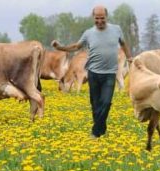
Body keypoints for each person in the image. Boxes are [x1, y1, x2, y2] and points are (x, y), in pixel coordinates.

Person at [51, 5, 133, 138]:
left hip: (109, 73)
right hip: (93, 74)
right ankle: (101, 129)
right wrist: (60, 47)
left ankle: (95, 132)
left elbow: (123, 44)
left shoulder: (116, 30)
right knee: (95, 104)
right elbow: (76, 46)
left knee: (106, 102)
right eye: (97, 18)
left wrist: (130, 58)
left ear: (106, 17)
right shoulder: (88, 33)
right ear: (93, 17)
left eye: (102, 18)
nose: (100, 21)